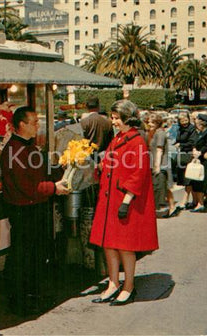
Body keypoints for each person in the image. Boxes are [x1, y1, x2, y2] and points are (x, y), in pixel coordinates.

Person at [1, 106, 70, 316]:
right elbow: (28, 187)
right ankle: (19, 300)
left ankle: (31, 295)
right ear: (21, 125)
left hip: (35, 207)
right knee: (23, 255)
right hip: (23, 211)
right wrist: (54, 188)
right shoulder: (14, 149)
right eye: (34, 123)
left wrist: (64, 167)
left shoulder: (28, 147)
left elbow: (41, 172)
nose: (38, 126)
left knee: (34, 255)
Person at [89, 100, 158, 306]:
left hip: (123, 201)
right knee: (108, 245)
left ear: (128, 118)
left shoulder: (137, 141)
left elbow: (138, 174)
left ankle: (128, 286)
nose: (113, 121)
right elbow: (110, 163)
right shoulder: (118, 138)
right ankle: (113, 283)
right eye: (112, 117)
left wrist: (126, 202)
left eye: (117, 118)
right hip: (109, 200)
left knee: (125, 247)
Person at [147, 114, 177, 218]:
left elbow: (159, 150)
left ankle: (169, 207)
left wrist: (157, 166)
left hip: (161, 163)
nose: (149, 124)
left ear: (156, 123)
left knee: (161, 187)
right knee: (166, 186)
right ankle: (172, 207)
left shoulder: (160, 134)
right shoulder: (156, 132)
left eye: (151, 122)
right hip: (160, 162)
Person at [189, 114, 207, 212]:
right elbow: (195, 143)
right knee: (197, 181)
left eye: (197, 120)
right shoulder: (199, 132)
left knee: (206, 182)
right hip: (199, 159)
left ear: (202, 122)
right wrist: (195, 150)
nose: (195, 121)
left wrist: (200, 152)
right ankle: (200, 203)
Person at [174, 111, 197, 210]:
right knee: (185, 179)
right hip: (182, 155)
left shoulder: (191, 129)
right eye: (182, 120)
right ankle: (194, 200)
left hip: (189, 155)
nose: (184, 122)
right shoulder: (180, 129)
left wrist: (181, 145)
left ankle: (185, 200)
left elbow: (192, 142)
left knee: (188, 179)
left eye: (185, 120)